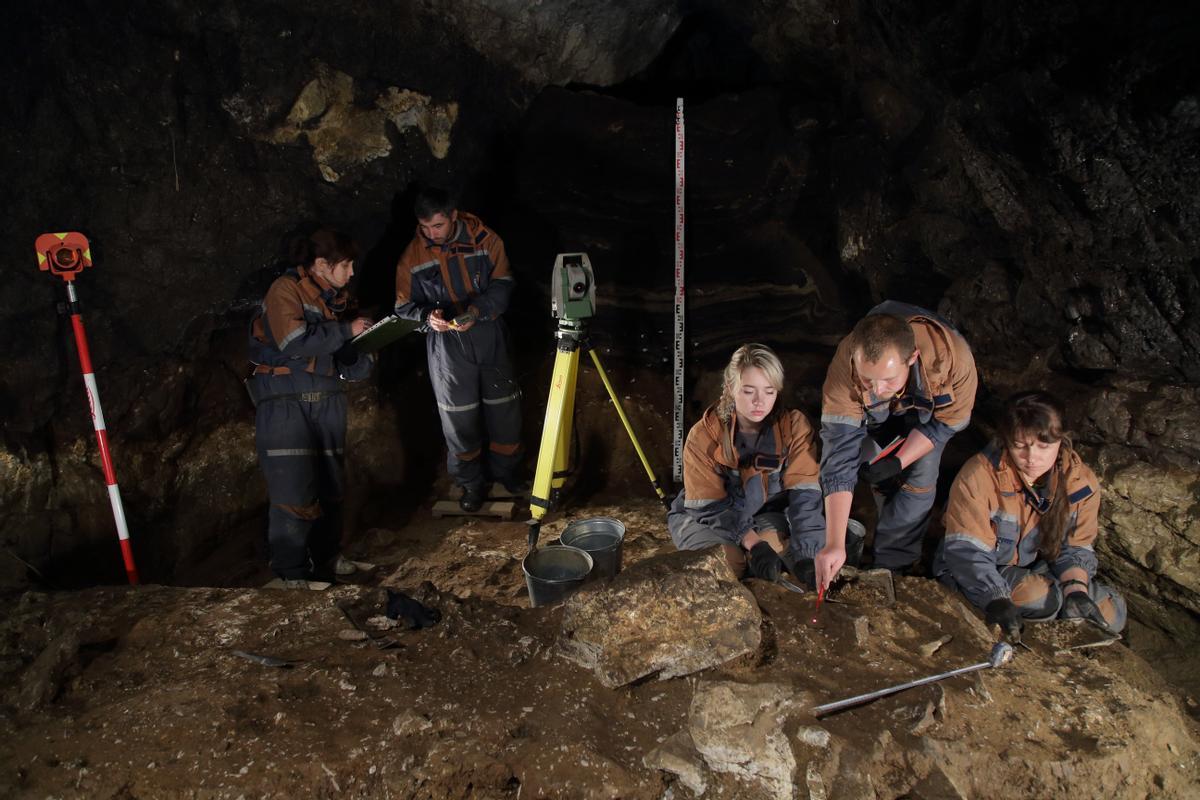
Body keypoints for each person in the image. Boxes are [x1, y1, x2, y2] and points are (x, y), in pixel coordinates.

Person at [934, 390, 1127, 637]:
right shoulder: (978, 476)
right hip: (978, 569)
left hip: (1034, 567)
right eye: (1020, 446)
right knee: (1039, 598)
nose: (1031, 458)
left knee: (1112, 613)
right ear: (1006, 440)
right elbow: (967, 552)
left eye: (1044, 446)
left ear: (1062, 440)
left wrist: (1076, 589)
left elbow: (1075, 547)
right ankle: (1041, 611)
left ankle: (1057, 602)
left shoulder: (1080, 482)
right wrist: (996, 598)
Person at [815, 301, 978, 590]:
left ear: (912, 358)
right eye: (868, 379)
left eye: (887, 379)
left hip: (927, 414)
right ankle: (861, 542)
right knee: (871, 468)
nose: (877, 389)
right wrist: (834, 543)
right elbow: (839, 451)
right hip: (877, 417)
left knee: (920, 477)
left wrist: (900, 460)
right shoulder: (847, 364)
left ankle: (892, 567)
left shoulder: (955, 361)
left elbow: (945, 424)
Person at [248, 228, 374, 584]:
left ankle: (327, 560)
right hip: (287, 402)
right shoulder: (284, 291)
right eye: (346, 265)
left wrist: (361, 348)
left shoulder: (337, 298)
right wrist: (347, 333)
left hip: (327, 400)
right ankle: (291, 573)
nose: (351, 273)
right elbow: (293, 341)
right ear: (321, 264)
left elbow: (348, 355)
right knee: (294, 490)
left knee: (331, 488)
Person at [394, 187, 523, 512]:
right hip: (447, 347)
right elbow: (403, 307)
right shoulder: (414, 255)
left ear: (453, 216)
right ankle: (471, 485)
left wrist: (477, 311)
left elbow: (503, 283)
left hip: (487, 333)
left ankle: (506, 476)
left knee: (503, 408)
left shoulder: (485, 240)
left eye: (437, 226)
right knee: (458, 417)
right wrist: (427, 317)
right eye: (425, 227)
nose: (430, 233)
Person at [668, 344, 825, 584]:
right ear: (731, 388)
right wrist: (753, 542)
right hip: (704, 515)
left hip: (759, 513)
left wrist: (807, 554)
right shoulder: (704, 435)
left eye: (769, 391)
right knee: (727, 565)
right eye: (749, 391)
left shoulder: (793, 427)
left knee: (786, 556)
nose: (759, 401)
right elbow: (708, 506)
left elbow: (805, 496)